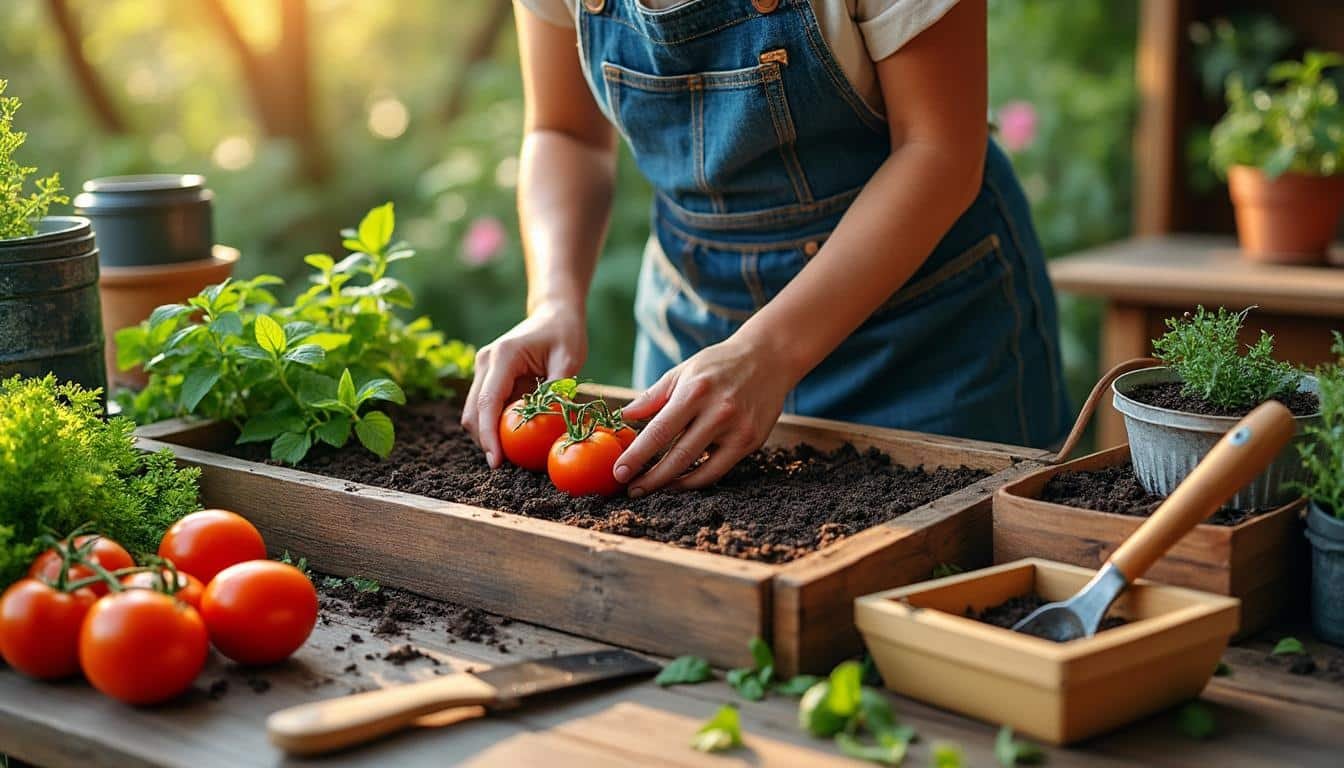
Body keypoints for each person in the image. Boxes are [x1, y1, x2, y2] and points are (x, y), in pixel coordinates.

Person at [462, 0, 1070, 497]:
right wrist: (554, 301)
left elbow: (939, 151)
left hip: (924, 342)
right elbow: (564, 131)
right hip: (694, 334)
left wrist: (769, 352)